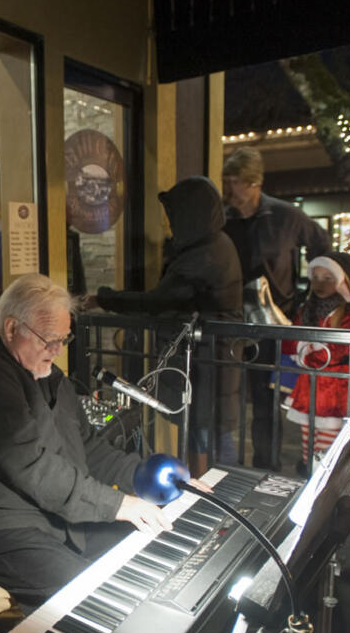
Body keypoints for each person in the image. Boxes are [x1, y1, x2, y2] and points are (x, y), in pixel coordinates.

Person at [0, 274, 182, 608]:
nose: (58, 350)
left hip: (38, 514)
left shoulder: (51, 377)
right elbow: (36, 469)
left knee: (147, 547)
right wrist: (119, 505)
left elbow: (89, 447)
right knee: (91, 598)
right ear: (13, 329)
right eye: (49, 340)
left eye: (64, 338)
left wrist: (154, 480)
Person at [90, 176, 243, 468]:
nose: (170, 223)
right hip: (212, 361)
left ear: (190, 214)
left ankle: (213, 501)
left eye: (174, 214)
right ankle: (218, 496)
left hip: (205, 363)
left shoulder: (203, 254)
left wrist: (103, 299)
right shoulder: (215, 244)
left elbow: (160, 300)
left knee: (206, 437)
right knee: (210, 435)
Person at [222, 146, 331, 469]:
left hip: (271, 327)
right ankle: (226, 469)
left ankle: (265, 469)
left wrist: (310, 295)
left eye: (235, 181)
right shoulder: (224, 220)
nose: (229, 189)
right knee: (227, 402)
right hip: (231, 324)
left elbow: (322, 246)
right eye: (226, 180)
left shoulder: (285, 217)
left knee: (266, 405)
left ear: (254, 183)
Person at [282, 253, 350, 474]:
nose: (319, 284)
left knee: (328, 444)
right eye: (316, 277)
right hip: (310, 386)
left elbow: (342, 350)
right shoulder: (306, 310)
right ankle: (308, 475)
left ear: (342, 282)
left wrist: (311, 352)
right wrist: (301, 349)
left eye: (328, 278)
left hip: (335, 389)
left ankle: (322, 481)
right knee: (308, 440)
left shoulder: (349, 315)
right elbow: (291, 343)